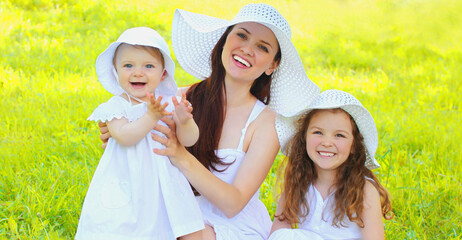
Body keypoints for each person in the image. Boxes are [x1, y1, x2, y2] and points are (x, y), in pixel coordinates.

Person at [99, 3, 319, 239]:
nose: (246, 49)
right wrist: (120, 136)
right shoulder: (179, 100)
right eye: (241, 35)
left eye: (262, 47)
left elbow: (233, 203)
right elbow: (136, 148)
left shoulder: (266, 123)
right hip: (174, 211)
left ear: (272, 65)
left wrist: (180, 155)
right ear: (224, 40)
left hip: (229, 224)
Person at [76, 27, 204, 240]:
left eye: (148, 66)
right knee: (127, 229)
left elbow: (190, 140)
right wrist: (151, 117)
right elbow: (125, 136)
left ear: (163, 73)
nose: (137, 72)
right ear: (116, 71)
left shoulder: (166, 103)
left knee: (186, 228)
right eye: (128, 65)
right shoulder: (117, 106)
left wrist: (184, 121)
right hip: (129, 182)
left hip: (167, 182)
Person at [269, 90, 394, 240]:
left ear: (354, 145)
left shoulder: (364, 190)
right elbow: (279, 231)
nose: (327, 142)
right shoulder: (298, 181)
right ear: (304, 137)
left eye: (339, 135)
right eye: (318, 132)